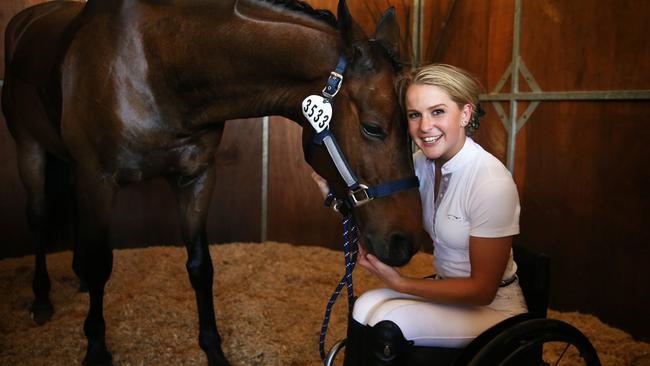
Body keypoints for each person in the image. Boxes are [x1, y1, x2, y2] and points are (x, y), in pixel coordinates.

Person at [312, 64, 527, 365]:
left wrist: (401, 284)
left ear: (465, 114)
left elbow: (482, 291)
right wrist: (330, 191)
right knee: (365, 307)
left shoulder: (491, 182)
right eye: (415, 115)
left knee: (389, 323)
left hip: (494, 308)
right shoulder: (420, 166)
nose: (425, 127)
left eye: (437, 111)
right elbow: (377, 204)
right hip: (447, 289)